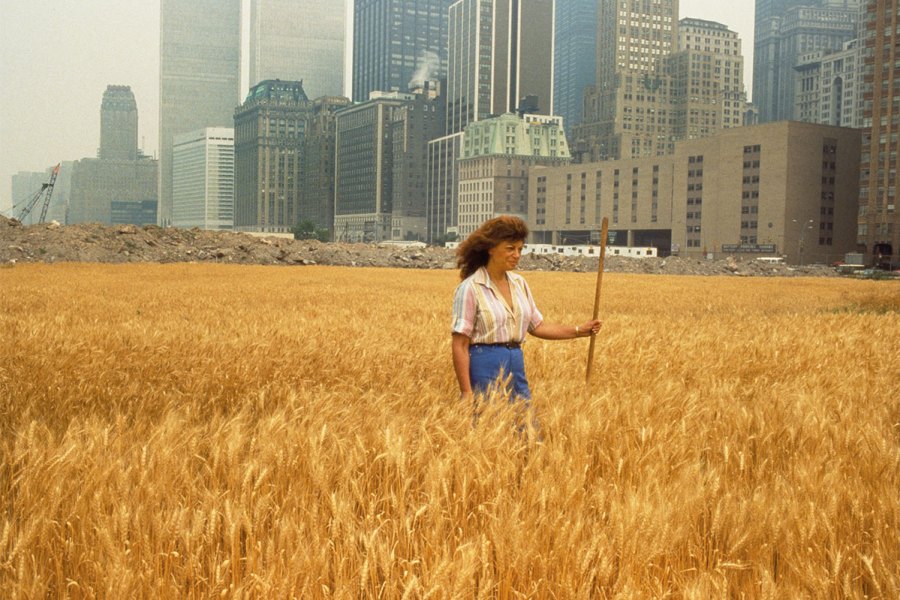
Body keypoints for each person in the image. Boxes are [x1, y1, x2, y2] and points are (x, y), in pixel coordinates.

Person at [451, 216, 602, 407]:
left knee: (525, 426)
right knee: (488, 426)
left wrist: (580, 331)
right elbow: (460, 344)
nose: (517, 255)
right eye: (510, 248)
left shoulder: (519, 284)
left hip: (516, 362)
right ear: (490, 248)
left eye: (520, 249)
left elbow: (537, 326)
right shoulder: (471, 288)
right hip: (484, 363)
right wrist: (466, 392)